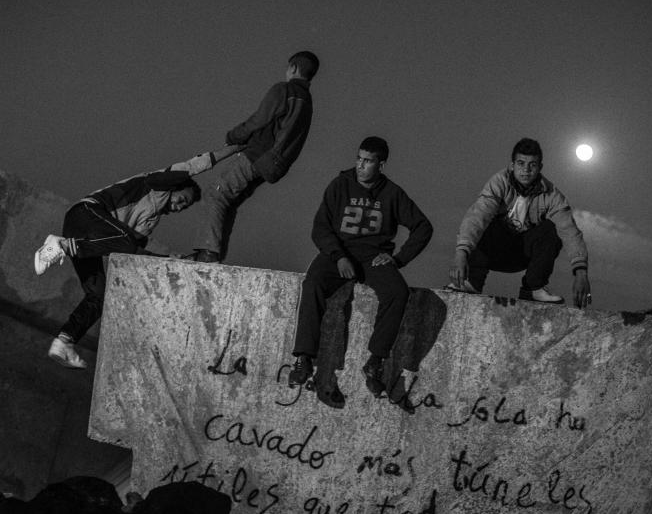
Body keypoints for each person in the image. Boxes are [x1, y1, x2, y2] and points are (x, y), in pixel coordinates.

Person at [32, 149, 234, 369]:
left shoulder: (149, 222)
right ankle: (61, 245)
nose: (177, 208)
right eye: (181, 200)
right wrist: (236, 146)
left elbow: (131, 251)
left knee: (99, 295)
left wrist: (170, 260)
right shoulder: (157, 185)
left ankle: (64, 343)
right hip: (86, 213)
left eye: (182, 208)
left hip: (88, 238)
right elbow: (193, 165)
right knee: (126, 240)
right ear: (175, 188)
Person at [288, 136, 433, 396]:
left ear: (381, 165)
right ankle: (304, 359)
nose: (360, 165)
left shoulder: (392, 193)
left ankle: (375, 362)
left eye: (368, 161)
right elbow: (320, 227)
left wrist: (398, 259)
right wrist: (338, 256)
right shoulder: (339, 185)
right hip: (339, 252)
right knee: (313, 283)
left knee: (398, 292)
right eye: (359, 158)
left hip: (373, 257)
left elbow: (423, 228)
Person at [188, 50, 319, 263]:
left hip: (257, 156)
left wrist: (233, 135)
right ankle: (215, 254)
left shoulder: (284, 90)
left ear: (293, 68)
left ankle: (208, 253)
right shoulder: (307, 102)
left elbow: (259, 120)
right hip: (274, 166)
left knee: (216, 193)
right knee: (229, 203)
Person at [448, 137, 592, 309]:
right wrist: (461, 252)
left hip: (521, 254)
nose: (526, 170)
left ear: (540, 167)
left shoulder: (552, 195)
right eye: (521, 163)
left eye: (532, 165)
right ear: (512, 165)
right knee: (486, 221)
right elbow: (478, 215)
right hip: (493, 250)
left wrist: (581, 272)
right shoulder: (499, 182)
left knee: (550, 230)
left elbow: (570, 231)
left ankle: (533, 289)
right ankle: (471, 282)